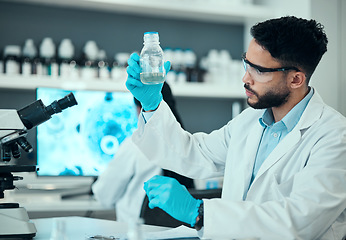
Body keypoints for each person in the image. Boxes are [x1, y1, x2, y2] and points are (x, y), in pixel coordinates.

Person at [125, 16, 346, 239]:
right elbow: (196, 153)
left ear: (296, 79)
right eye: (246, 63)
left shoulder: (334, 136)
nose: (245, 77)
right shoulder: (250, 121)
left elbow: (298, 222)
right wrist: (152, 105)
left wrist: (199, 213)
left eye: (259, 70)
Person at [92, 82, 194, 223]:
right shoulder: (188, 142)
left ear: (140, 109)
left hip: (138, 233)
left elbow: (105, 197)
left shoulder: (135, 144)